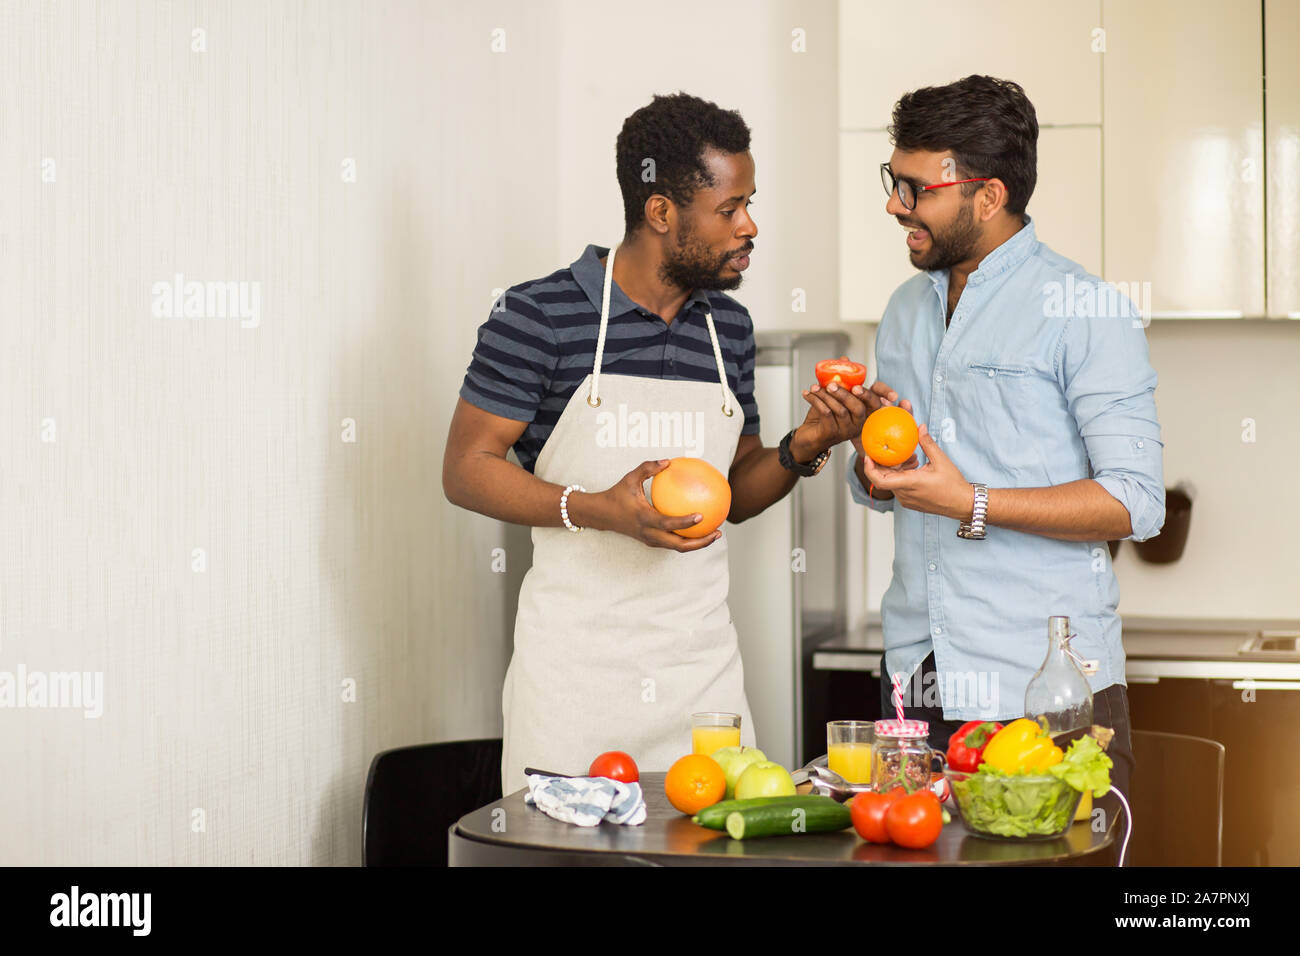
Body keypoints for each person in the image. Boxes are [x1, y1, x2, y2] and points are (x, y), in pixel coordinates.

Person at [444, 92, 868, 795]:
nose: (750, 226)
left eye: (749, 204)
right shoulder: (537, 315)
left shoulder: (726, 328)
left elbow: (735, 492)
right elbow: (465, 469)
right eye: (730, 210)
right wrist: (603, 509)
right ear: (662, 212)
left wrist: (805, 445)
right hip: (574, 687)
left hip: (699, 682)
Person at [849, 75, 1164, 800]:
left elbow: (1136, 501)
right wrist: (868, 466)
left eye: (916, 188)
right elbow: (889, 492)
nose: (896, 205)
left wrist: (972, 501)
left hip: (1043, 686)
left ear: (987, 196)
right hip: (917, 680)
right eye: (894, 181)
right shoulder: (903, 311)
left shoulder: (1084, 310)